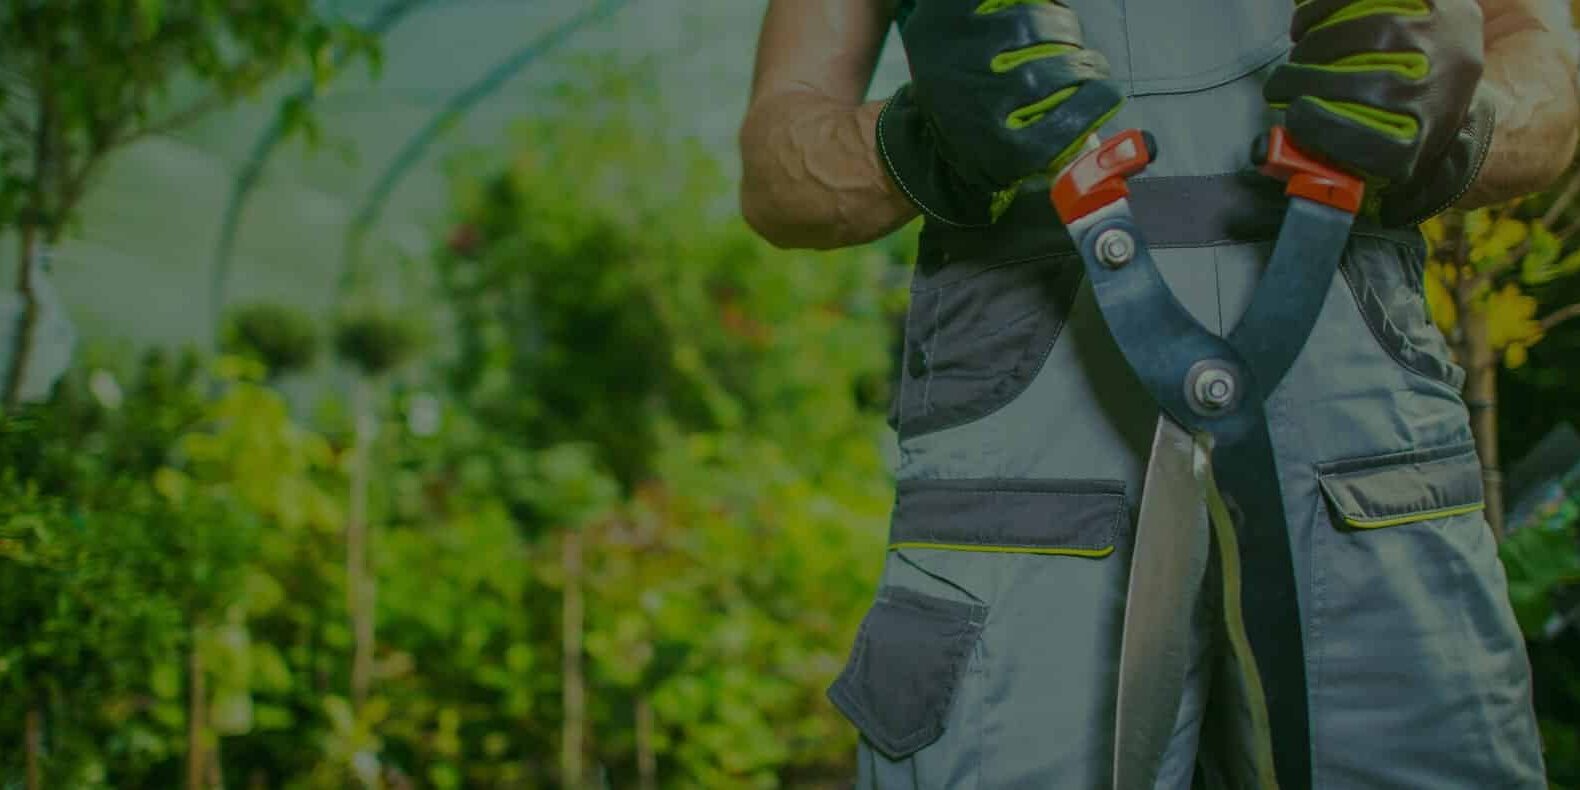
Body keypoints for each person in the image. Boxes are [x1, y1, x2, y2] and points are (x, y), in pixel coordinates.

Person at [738, 0, 1580, 786]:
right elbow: (776, 171)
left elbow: (1548, 74)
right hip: (1022, 455)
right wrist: (916, 144)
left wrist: (1464, 119)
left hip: (1364, 427)